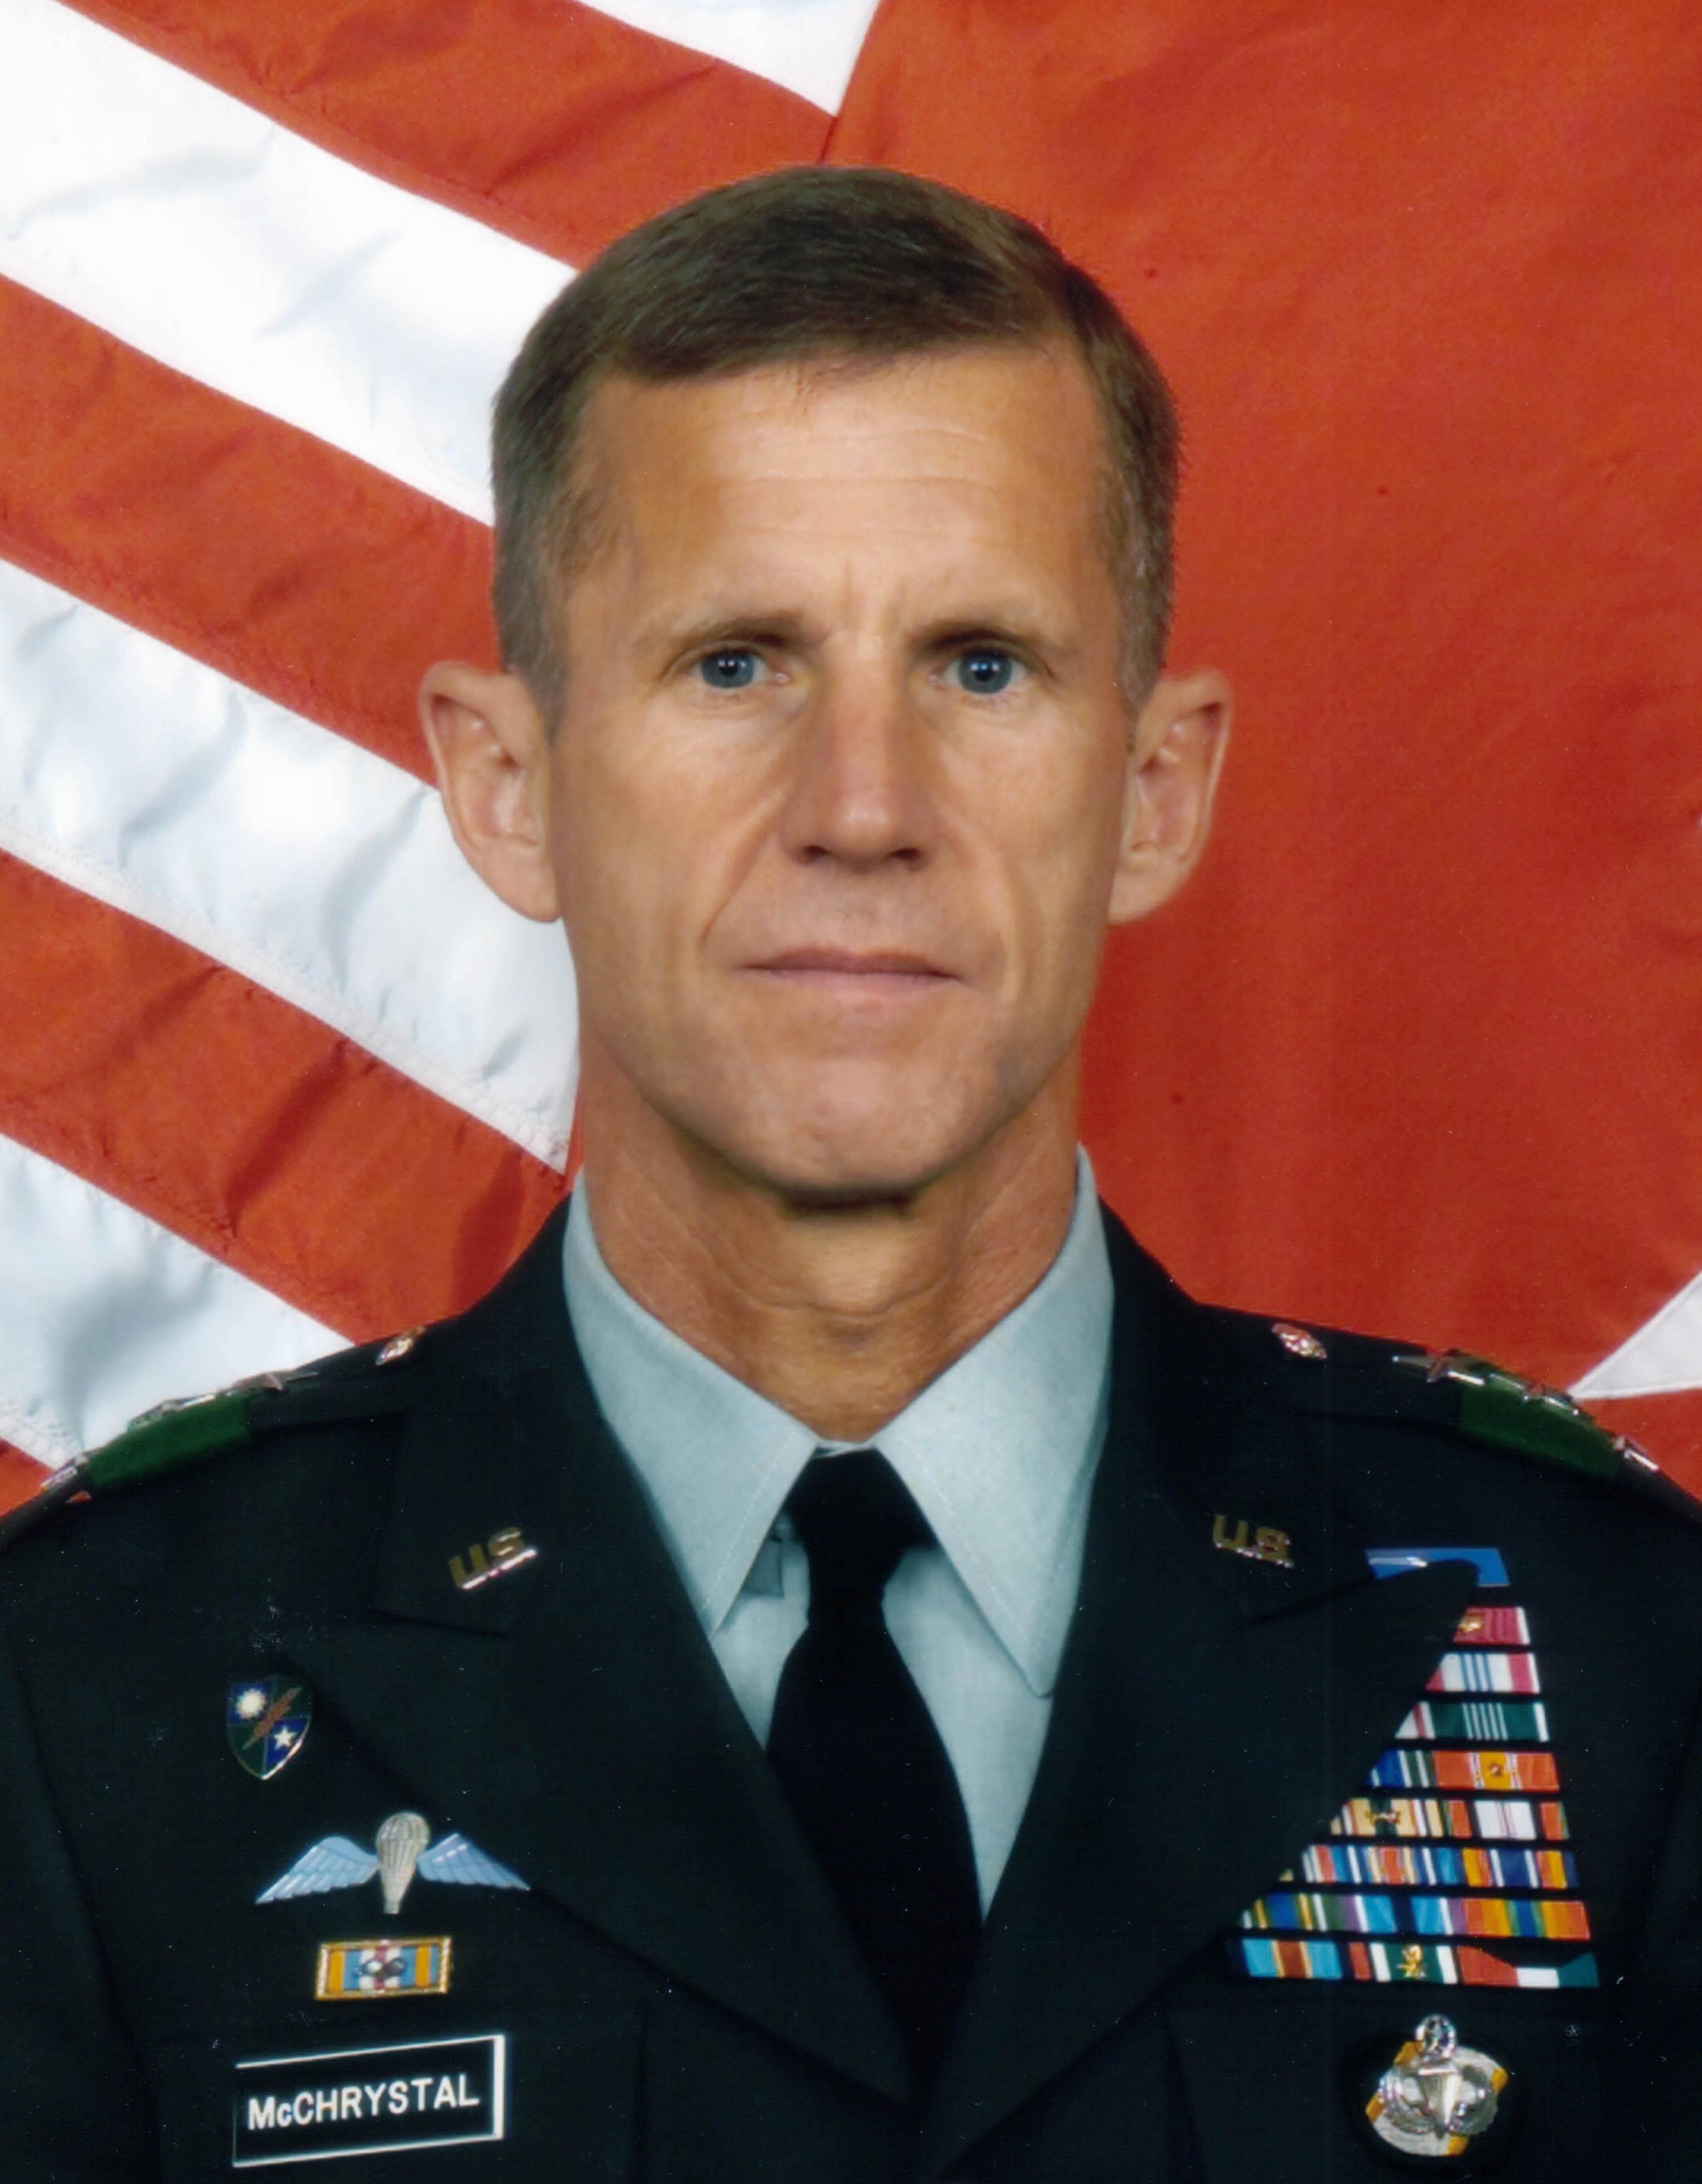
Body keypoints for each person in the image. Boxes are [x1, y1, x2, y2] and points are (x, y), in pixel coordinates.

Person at [1, 166, 1699, 2183]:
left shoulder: (1625, 1654)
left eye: (982, 665)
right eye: (738, 664)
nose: (865, 807)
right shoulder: (82, 1690)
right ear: (507, 786)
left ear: (1154, 793)